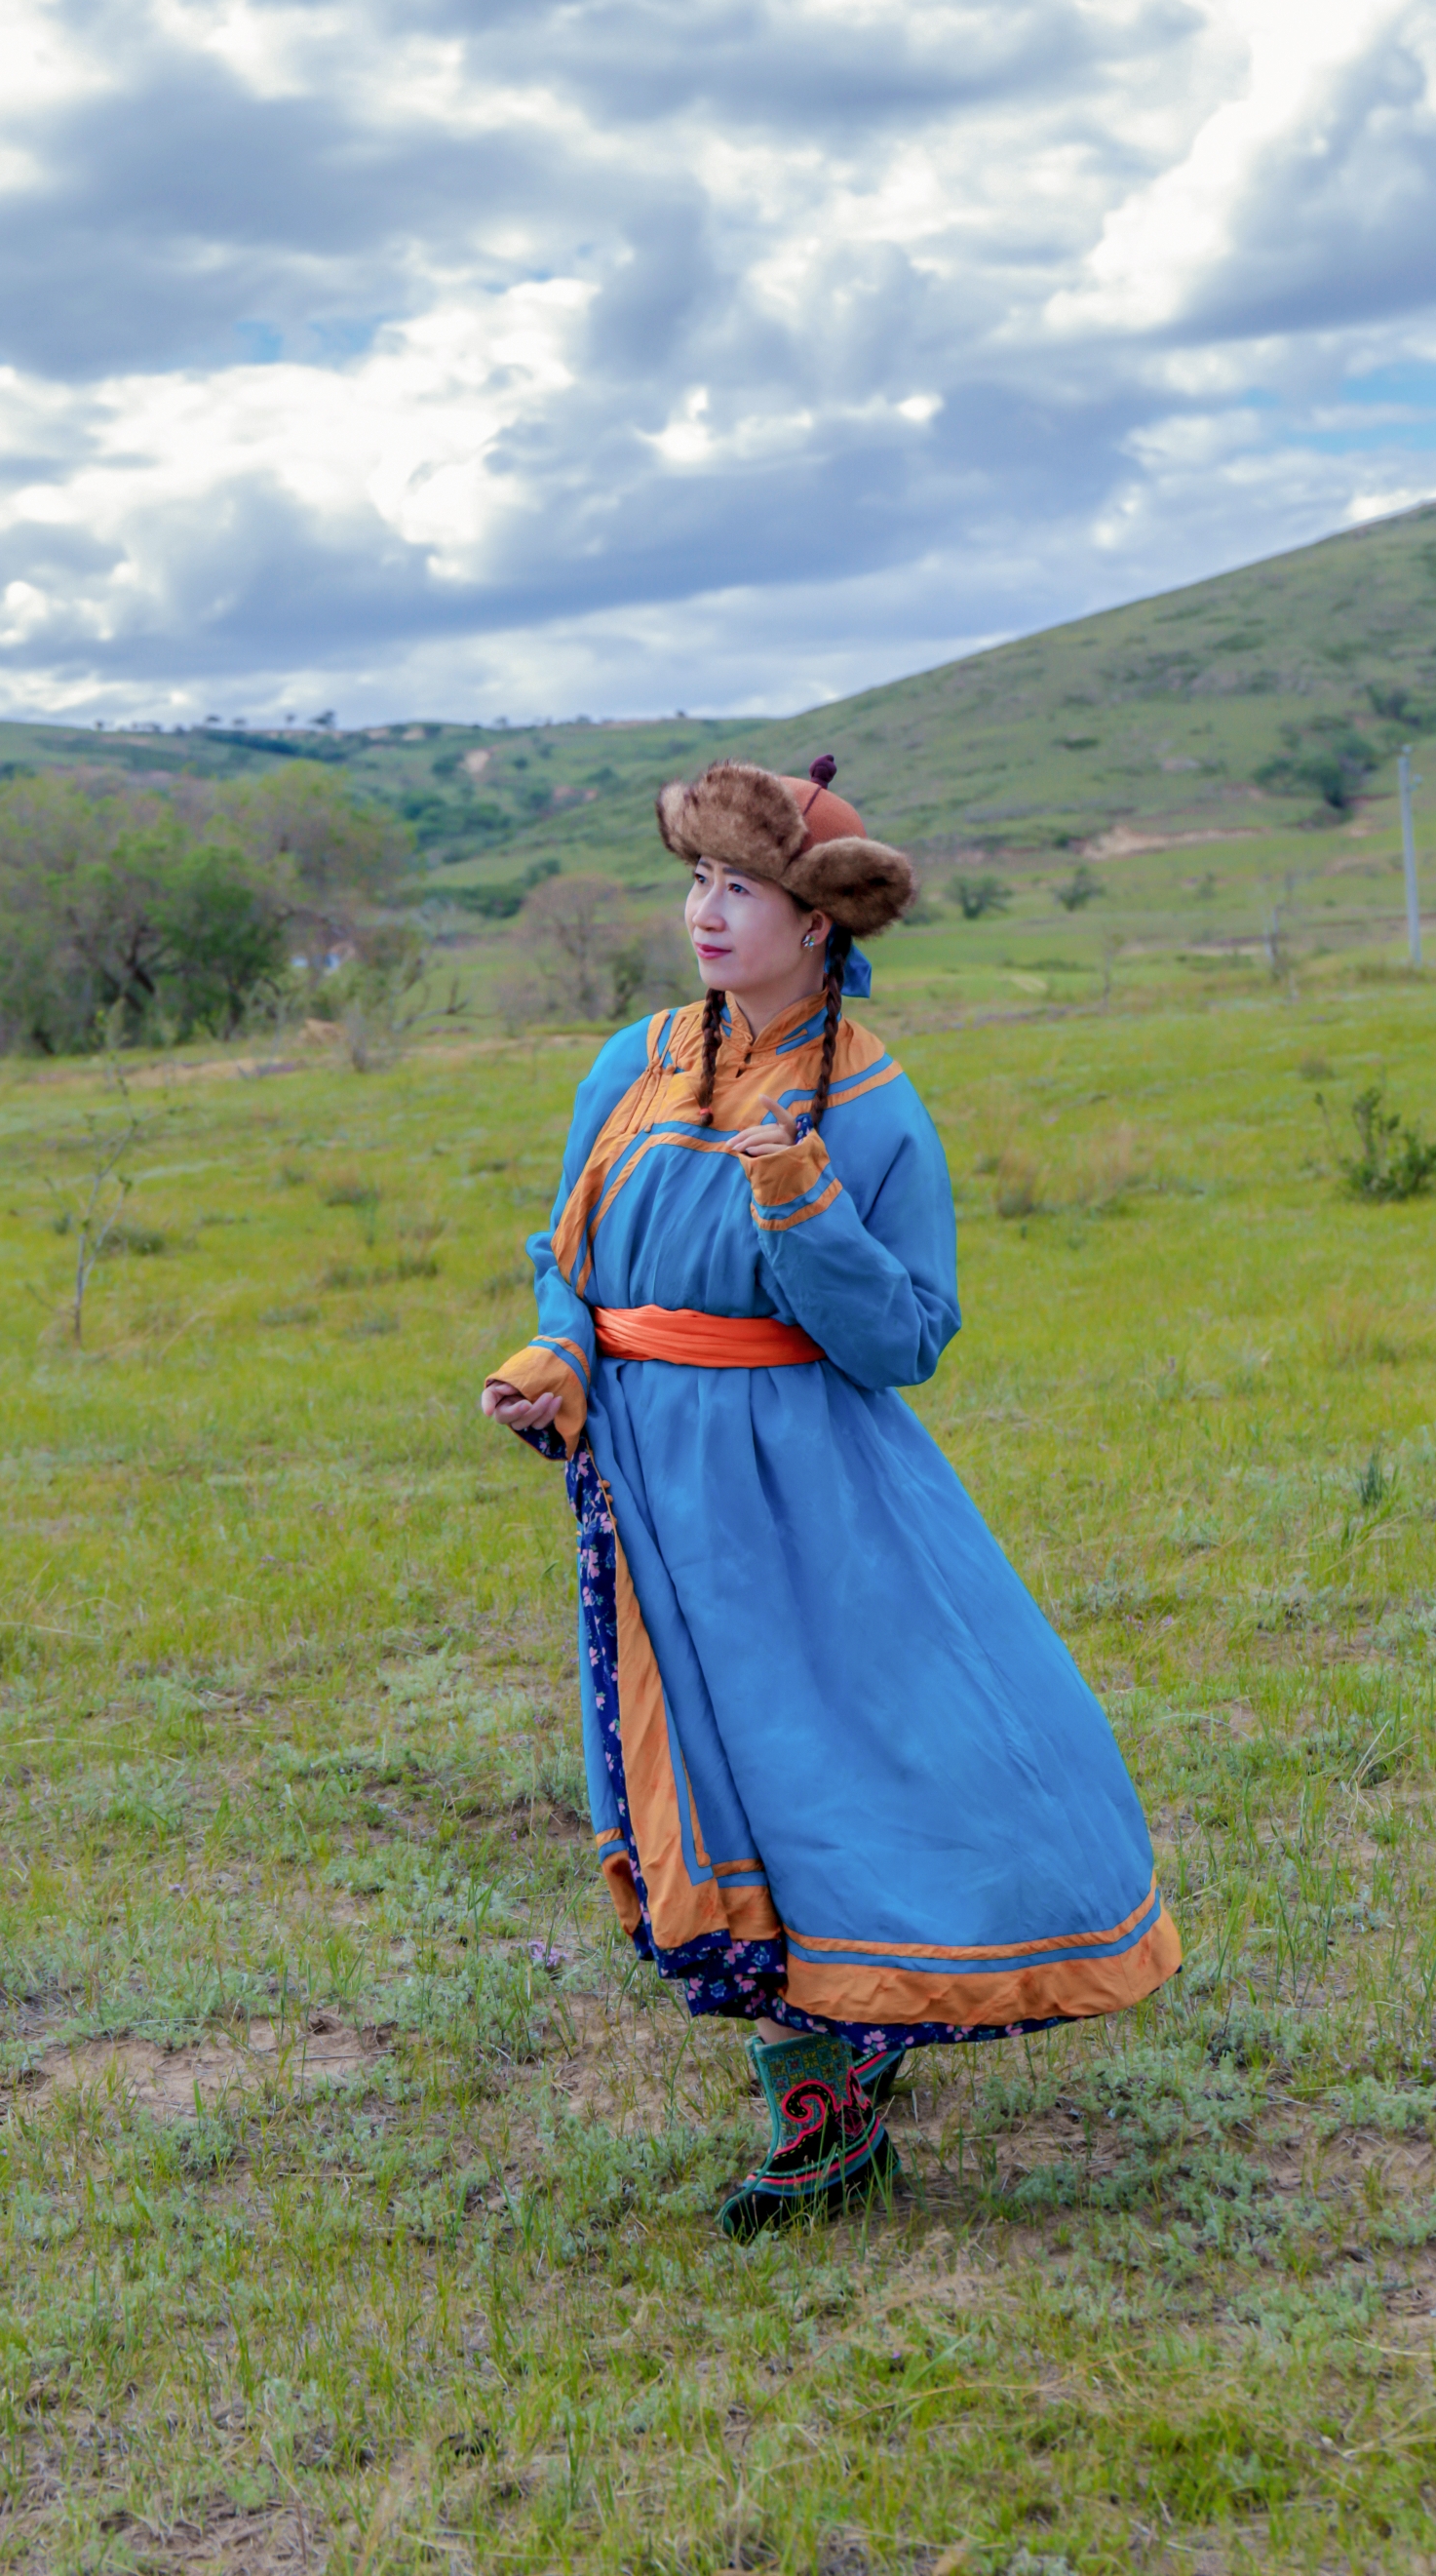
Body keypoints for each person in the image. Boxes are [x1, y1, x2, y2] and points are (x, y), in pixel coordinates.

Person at [481, 756, 1181, 2238]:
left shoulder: (873, 1105)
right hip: (651, 1483)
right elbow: (568, 1245)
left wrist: (802, 1205)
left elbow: (904, 1338)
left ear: (819, 925)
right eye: (698, 884)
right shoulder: (636, 1057)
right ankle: (826, 2074)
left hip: (809, 1492)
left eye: (742, 891)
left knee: (838, 1763)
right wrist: (558, 1352)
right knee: (713, 1776)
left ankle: (841, 2081)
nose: (707, 915)